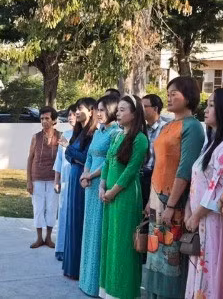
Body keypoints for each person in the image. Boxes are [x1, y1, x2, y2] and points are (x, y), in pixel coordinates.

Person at [143, 76, 205, 299]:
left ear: (188, 96)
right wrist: (150, 200)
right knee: (154, 253)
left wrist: (171, 205)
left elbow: (185, 170)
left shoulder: (193, 127)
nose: (169, 97)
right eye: (168, 93)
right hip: (156, 197)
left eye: (174, 94)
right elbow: (159, 163)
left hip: (173, 202)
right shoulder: (169, 125)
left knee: (170, 257)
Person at [184, 88, 223, 299]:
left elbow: (218, 190)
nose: (206, 110)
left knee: (210, 270)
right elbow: (198, 180)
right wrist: (188, 210)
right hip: (200, 218)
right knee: (199, 269)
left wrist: (196, 214)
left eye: (211, 105)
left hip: (213, 220)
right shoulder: (212, 142)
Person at [99, 95, 149, 299]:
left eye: (122, 109)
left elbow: (130, 171)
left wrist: (112, 191)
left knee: (123, 245)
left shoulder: (140, 139)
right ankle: (109, 289)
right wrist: (102, 186)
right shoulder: (118, 135)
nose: (118, 113)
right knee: (110, 241)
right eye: (117, 109)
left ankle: (124, 292)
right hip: (110, 196)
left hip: (126, 197)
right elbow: (108, 162)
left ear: (135, 113)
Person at [79, 95, 121, 296]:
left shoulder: (116, 133)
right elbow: (89, 155)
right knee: (89, 230)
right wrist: (84, 174)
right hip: (89, 184)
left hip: (103, 184)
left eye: (103, 109)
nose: (99, 113)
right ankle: (86, 280)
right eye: (97, 109)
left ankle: (97, 284)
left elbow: (110, 161)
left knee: (99, 232)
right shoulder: (98, 131)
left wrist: (91, 175)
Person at [62, 97, 98, 279]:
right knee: (71, 219)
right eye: (76, 108)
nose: (76, 111)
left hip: (83, 178)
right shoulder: (78, 131)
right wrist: (72, 153)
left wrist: (71, 152)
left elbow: (85, 158)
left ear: (91, 111)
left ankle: (78, 269)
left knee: (79, 220)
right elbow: (69, 156)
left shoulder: (93, 134)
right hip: (74, 175)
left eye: (80, 108)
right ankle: (70, 266)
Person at [27, 106, 62, 249]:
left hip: (53, 179)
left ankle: (48, 238)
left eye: (47, 118)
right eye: (42, 118)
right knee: (38, 208)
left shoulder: (60, 137)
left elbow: (63, 159)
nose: (44, 121)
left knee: (52, 208)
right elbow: (30, 159)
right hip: (37, 178)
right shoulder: (36, 137)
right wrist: (29, 180)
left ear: (54, 120)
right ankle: (38, 238)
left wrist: (59, 180)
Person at [54, 104, 78, 261]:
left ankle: (72, 249)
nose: (70, 117)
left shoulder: (86, 135)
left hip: (76, 177)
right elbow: (59, 159)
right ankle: (61, 248)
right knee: (63, 214)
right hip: (65, 180)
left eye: (74, 114)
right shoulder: (65, 134)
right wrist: (56, 180)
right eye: (69, 114)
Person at [141, 93, 165, 207]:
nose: (141, 109)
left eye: (145, 106)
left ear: (155, 108)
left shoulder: (165, 128)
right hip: (141, 176)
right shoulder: (142, 128)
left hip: (155, 176)